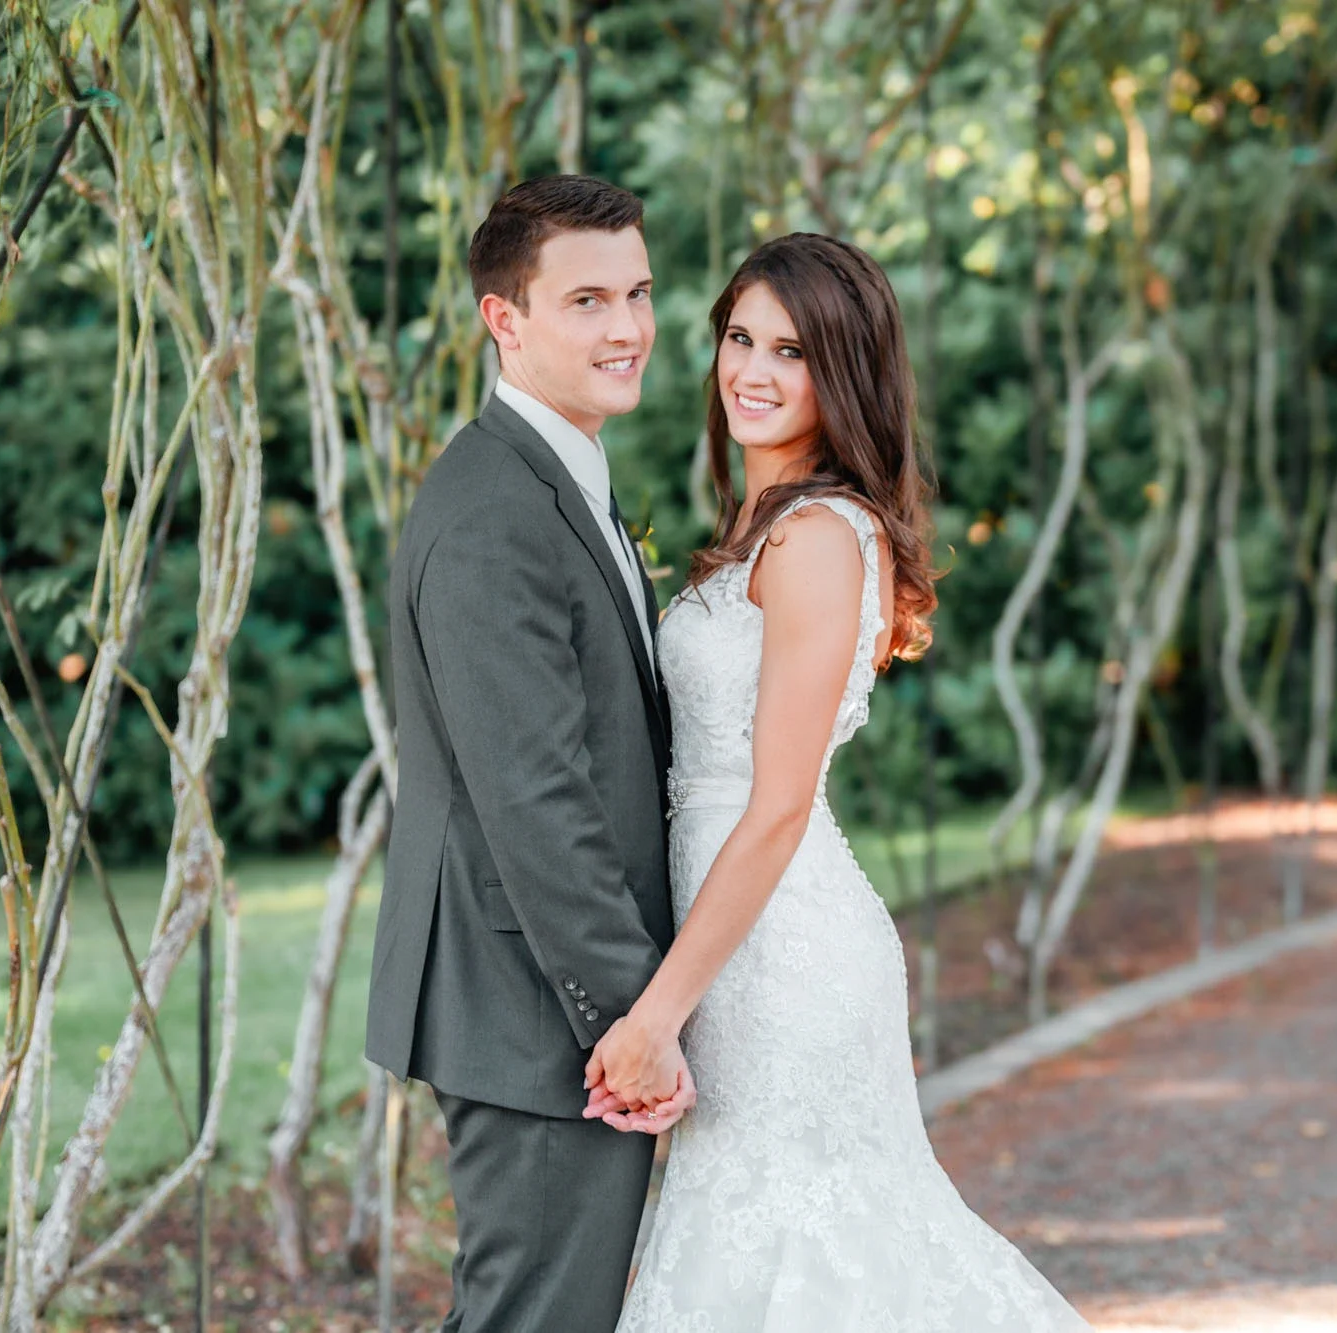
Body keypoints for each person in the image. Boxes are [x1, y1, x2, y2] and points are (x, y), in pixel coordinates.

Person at [587, 232, 1093, 1329]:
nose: (751, 372)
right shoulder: (756, 529)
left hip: (784, 957)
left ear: (843, 375)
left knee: (811, 1257)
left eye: (793, 351)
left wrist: (654, 1014)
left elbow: (773, 809)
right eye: (738, 337)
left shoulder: (817, 537)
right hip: (732, 942)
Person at [363, 174, 694, 1333]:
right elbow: (536, 799)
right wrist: (627, 1024)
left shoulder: (552, 475)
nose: (629, 328)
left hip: (546, 1001)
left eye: (639, 292)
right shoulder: (493, 512)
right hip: (537, 1010)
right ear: (506, 318)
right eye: (588, 300)